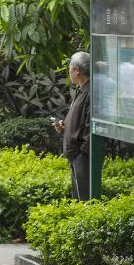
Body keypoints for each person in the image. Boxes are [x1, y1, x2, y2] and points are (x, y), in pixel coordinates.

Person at [53, 51, 91, 201]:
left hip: (82, 157)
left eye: (69, 68)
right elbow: (79, 121)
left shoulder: (90, 91)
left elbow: (90, 126)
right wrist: (65, 127)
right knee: (79, 200)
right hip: (76, 155)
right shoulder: (81, 90)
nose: (68, 71)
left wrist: (83, 152)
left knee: (85, 201)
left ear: (77, 70)